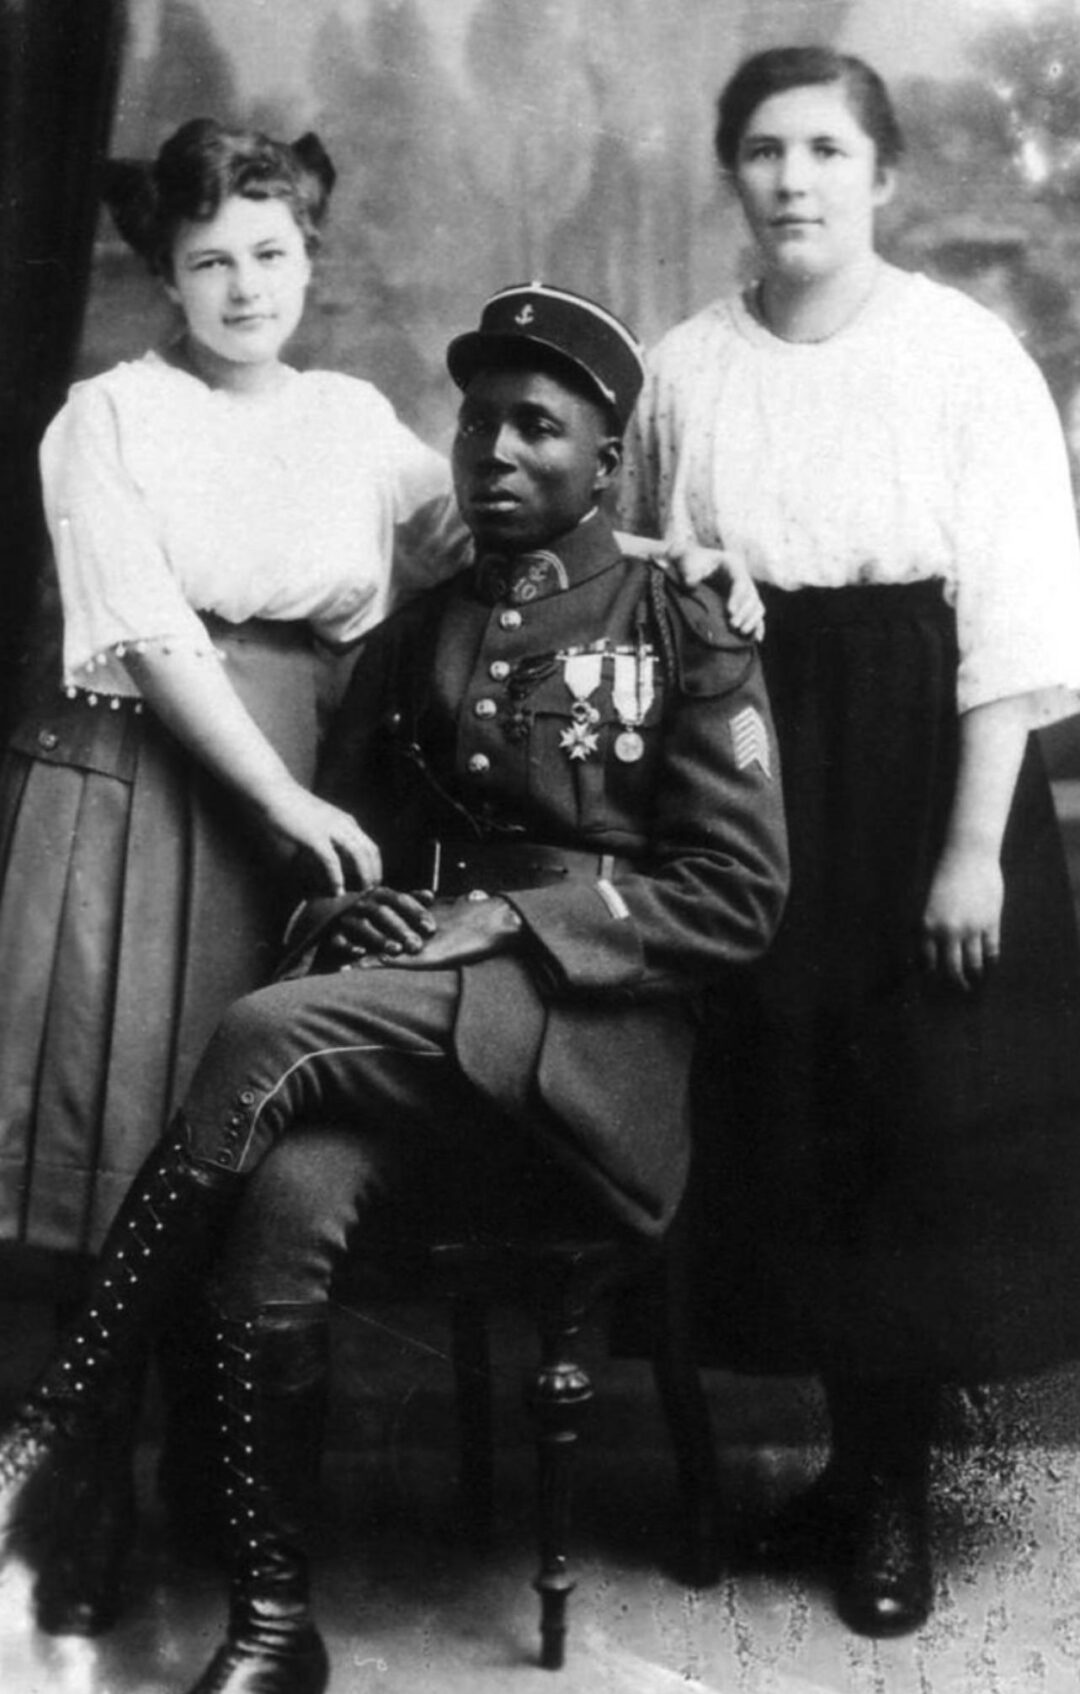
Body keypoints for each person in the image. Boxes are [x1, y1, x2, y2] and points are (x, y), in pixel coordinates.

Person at [0, 282, 788, 1694]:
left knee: (261, 1029)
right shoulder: (423, 628)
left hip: (587, 1047)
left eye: (537, 428)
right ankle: (273, 1625)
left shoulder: (683, 620)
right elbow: (353, 836)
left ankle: (51, 1422)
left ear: (608, 460)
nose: (492, 452)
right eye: (477, 420)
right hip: (431, 1026)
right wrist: (361, 911)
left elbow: (735, 893)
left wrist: (499, 921)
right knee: (284, 1205)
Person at [620, 45, 1080, 1639]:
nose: (794, 178)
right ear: (731, 174)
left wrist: (974, 849)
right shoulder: (688, 366)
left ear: (884, 177)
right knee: (783, 1100)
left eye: (826, 148)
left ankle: (894, 1487)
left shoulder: (966, 357)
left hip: (923, 753)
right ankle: (838, 1455)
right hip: (752, 762)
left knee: (915, 1111)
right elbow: (656, 583)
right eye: (762, 149)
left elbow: (1017, 622)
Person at [0, 118, 467, 1633]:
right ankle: (84, 1508)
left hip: (306, 790)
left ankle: (226, 1495)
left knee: (242, 1145)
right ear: (167, 272)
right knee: (121, 1129)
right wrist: (274, 794)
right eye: (211, 260)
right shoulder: (108, 415)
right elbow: (144, 627)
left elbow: (497, 527)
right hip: (149, 783)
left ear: (309, 256)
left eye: (271, 252)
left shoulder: (352, 417)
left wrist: (665, 552)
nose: (245, 284)